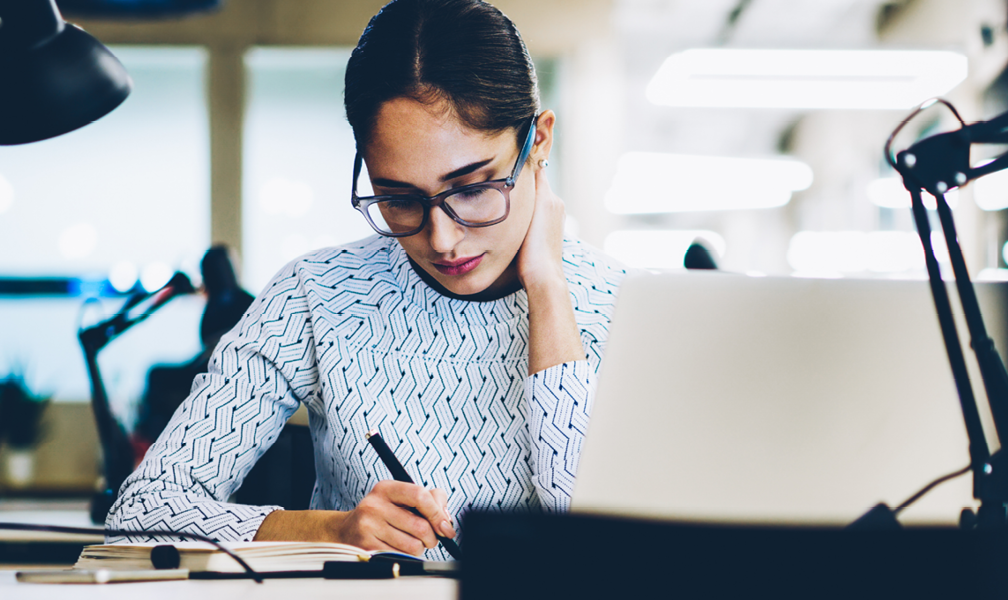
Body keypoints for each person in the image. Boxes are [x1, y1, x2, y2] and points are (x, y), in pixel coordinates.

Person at [107, 0, 629, 560]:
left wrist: (548, 291)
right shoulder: (317, 295)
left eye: (473, 189)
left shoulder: (630, 305)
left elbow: (607, 551)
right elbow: (140, 514)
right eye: (400, 199)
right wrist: (326, 531)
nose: (442, 240)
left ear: (540, 142)